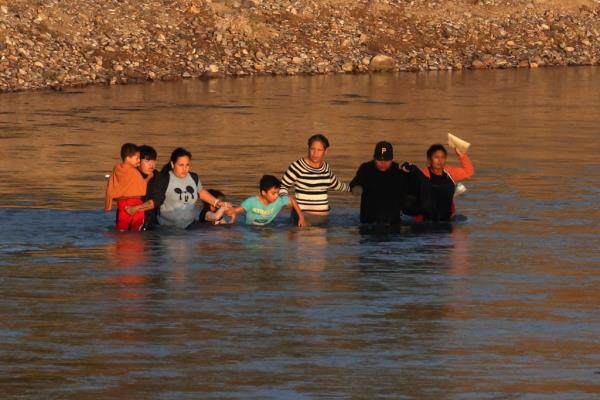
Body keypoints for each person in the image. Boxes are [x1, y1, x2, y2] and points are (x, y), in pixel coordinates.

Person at [126, 147, 225, 229]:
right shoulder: (164, 179)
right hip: (167, 231)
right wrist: (136, 209)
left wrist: (217, 202)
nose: (184, 169)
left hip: (189, 229)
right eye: (181, 165)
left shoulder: (194, 177)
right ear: (173, 164)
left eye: (187, 165)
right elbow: (154, 200)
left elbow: (200, 191)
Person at [280, 134, 350, 225]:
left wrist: (352, 188)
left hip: (324, 221)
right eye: (312, 149)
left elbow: (336, 185)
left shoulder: (325, 167)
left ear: (326, 151)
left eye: (319, 150)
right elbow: (282, 186)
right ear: (308, 148)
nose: (315, 153)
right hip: (303, 220)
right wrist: (285, 199)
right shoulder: (297, 166)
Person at [350, 141, 426, 224]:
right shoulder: (366, 169)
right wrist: (357, 188)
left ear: (392, 159)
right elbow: (355, 182)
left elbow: (419, 188)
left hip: (393, 225)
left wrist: (415, 172)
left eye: (386, 160)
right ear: (374, 158)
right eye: (379, 159)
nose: (383, 163)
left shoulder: (398, 171)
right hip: (368, 223)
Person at [421, 144, 474, 222]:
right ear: (429, 159)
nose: (440, 160)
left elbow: (468, 172)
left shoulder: (450, 172)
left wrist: (462, 155)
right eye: (436, 157)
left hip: (448, 217)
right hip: (426, 218)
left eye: (443, 157)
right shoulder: (423, 174)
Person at [231, 175, 306, 226]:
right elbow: (235, 211)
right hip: (250, 229)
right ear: (264, 193)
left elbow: (292, 199)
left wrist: (301, 217)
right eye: (273, 193)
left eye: (277, 192)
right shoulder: (251, 202)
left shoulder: (279, 201)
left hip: (266, 228)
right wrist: (226, 207)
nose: (276, 196)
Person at [104, 143, 147, 231]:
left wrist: (108, 205)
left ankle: (120, 243)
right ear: (128, 158)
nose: (139, 161)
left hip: (122, 203)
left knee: (121, 227)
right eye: (137, 158)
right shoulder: (134, 172)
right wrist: (149, 177)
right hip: (136, 203)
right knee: (137, 227)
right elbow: (143, 187)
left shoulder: (117, 170)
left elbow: (110, 185)